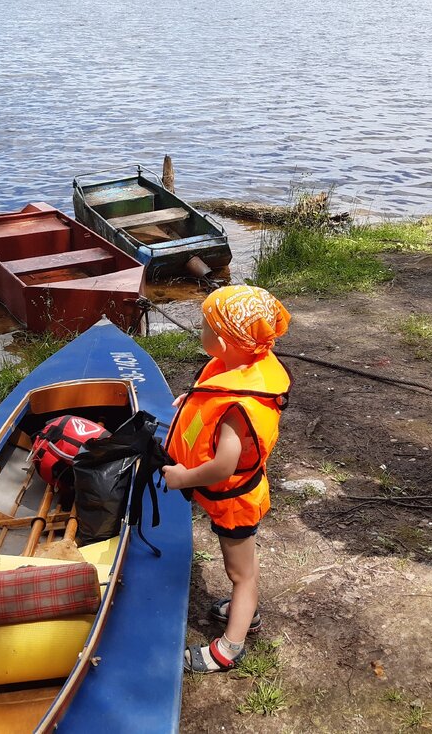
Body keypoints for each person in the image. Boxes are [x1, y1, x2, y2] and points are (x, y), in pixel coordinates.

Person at [161, 285, 292, 673]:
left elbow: (222, 466)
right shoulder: (239, 365)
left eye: (202, 326)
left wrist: (184, 477)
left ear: (220, 340)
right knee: (240, 570)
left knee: (241, 573)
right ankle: (241, 608)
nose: (198, 331)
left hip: (236, 502)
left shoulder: (237, 409)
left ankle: (231, 645)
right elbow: (212, 400)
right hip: (230, 499)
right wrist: (191, 401)